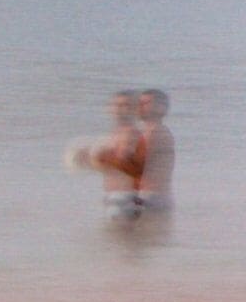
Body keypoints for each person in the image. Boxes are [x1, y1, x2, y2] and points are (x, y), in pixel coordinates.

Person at [72, 89, 173, 218]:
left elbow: (134, 168)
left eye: (145, 104)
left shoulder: (149, 133)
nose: (140, 107)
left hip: (146, 197)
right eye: (115, 105)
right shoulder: (140, 132)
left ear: (161, 108)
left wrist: (96, 159)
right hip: (140, 197)